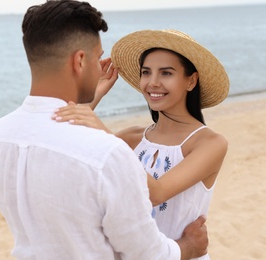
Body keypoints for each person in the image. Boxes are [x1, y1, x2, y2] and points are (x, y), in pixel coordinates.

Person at [0, 1, 208, 259]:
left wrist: (86, 102)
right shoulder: (106, 153)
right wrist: (189, 247)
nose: (101, 66)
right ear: (79, 60)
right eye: (98, 57)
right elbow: (146, 252)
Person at [53, 29, 230, 259]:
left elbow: (156, 193)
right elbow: (71, 157)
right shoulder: (132, 138)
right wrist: (93, 96)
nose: (153, 82)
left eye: (166, 73)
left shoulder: (209, 143)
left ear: (191, 80)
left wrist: (103, 133)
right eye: (146, 72)